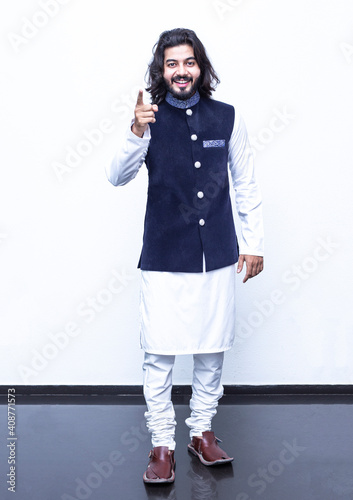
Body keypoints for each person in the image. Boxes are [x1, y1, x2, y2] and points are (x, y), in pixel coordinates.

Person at [106, 28, 264, 484]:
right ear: (161, 70)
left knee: (212, 349)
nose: (181, 71)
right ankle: (161, 444)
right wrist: (136, 130)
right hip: (162, 253)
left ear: (201, 67)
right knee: (159, 354)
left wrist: (252, 242)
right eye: (172, 63)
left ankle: (202, 433)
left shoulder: (228, 117)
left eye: (189, 62)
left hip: (216, 252)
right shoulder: (148, 120)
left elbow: (246, 182)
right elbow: (116, 176)